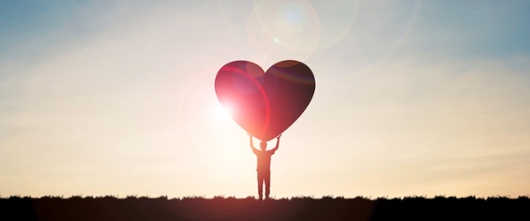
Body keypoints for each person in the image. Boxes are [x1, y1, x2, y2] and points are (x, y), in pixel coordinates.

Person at [249, 133, 281, 200]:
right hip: (265, 171)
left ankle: (263, 197)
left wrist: (251, 138)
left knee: (262, 184)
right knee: (266, 184)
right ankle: (265, 197)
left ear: (261, 146)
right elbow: (276, 148)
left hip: (262, 171)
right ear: (264, 146)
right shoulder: (267, 153)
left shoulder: (260, 153)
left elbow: (252, 147)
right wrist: (278, 139)